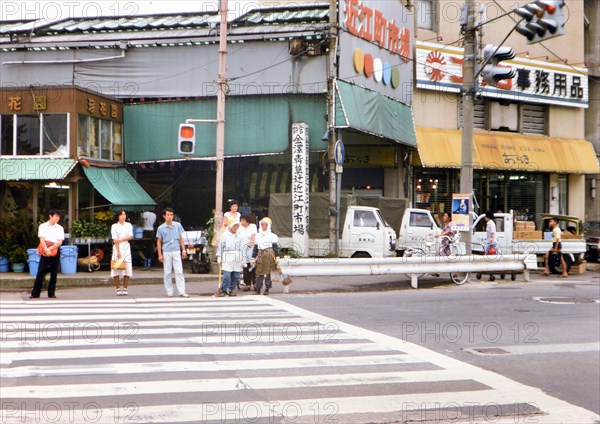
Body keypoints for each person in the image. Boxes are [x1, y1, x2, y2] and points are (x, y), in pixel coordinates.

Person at [30, 209, 64, 299]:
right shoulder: (43, 226)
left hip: (55, 250)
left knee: (54, 273)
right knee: (40, 272)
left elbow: (60, 241)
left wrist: (51, 249)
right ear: (50, 216)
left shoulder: (60, 228)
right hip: (45, 250)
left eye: (58, 216)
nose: (57, 218)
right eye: (56, 216)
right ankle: (35, 294)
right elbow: (42, 239)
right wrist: (46, 249)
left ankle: (51, 293)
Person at [156, 207, 189, 297]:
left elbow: (181, 238)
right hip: (166, 250)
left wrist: (184, 250)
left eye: (171, 215)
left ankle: (182, 291)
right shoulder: (161, 228)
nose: (170, 217)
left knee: (179, 271)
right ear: (164, 216)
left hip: (176, 249)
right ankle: (169, 291)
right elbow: (159, 241)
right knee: (167, 272)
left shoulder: (177, 225)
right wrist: (160, 254)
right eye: (168, 215)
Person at [216, 221, 245, 296]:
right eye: (234, 226)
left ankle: (231, 289)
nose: (235, 228)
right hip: (227, 256)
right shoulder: (224, 236)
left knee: (236, 276)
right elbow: (220, 246)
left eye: (237, 226)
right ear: (230, 226)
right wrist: (219, 256)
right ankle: (223, 289)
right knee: (227, 275)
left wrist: (243, 257)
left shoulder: (239, 236)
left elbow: (242, 247)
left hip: (237, 256)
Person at [252, 217, 279, 295]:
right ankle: (258, 288)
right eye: (262, 225)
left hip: (269, 253)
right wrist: (253, 257)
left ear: (268, 226)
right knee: (259, 272)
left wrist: (277, 256)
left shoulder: (272, 236)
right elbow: (255, 247)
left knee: (268, 272)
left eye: (265, 225)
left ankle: (267, 288)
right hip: (260, 253)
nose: (264, 226)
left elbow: (275, 247)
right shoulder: (257, 235)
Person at [111, 210, 133, 296]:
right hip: (117, 247)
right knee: (116, 267)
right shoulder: (114, 226)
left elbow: (130, 236)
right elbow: (114, 239)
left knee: (127, 267)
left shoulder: (128, 225)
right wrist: (118, 251)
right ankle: (117, 288)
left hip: (126, 246)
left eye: (124, 214)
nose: (123, 216)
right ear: (118, 216)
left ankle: (125, 287)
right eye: (121, 215)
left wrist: (119, 239)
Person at [238, 214, 257, 291]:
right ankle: (248, 284)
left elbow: (253, 236)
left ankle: (255, 283)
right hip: (242, 248)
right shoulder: (239, 226)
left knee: (253, 266)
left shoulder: (253, 226)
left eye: (243, 220)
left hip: (251, 248)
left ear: (247, 221)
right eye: (241, 220)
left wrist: (251, 243)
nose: (242, 222)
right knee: (245, 267)